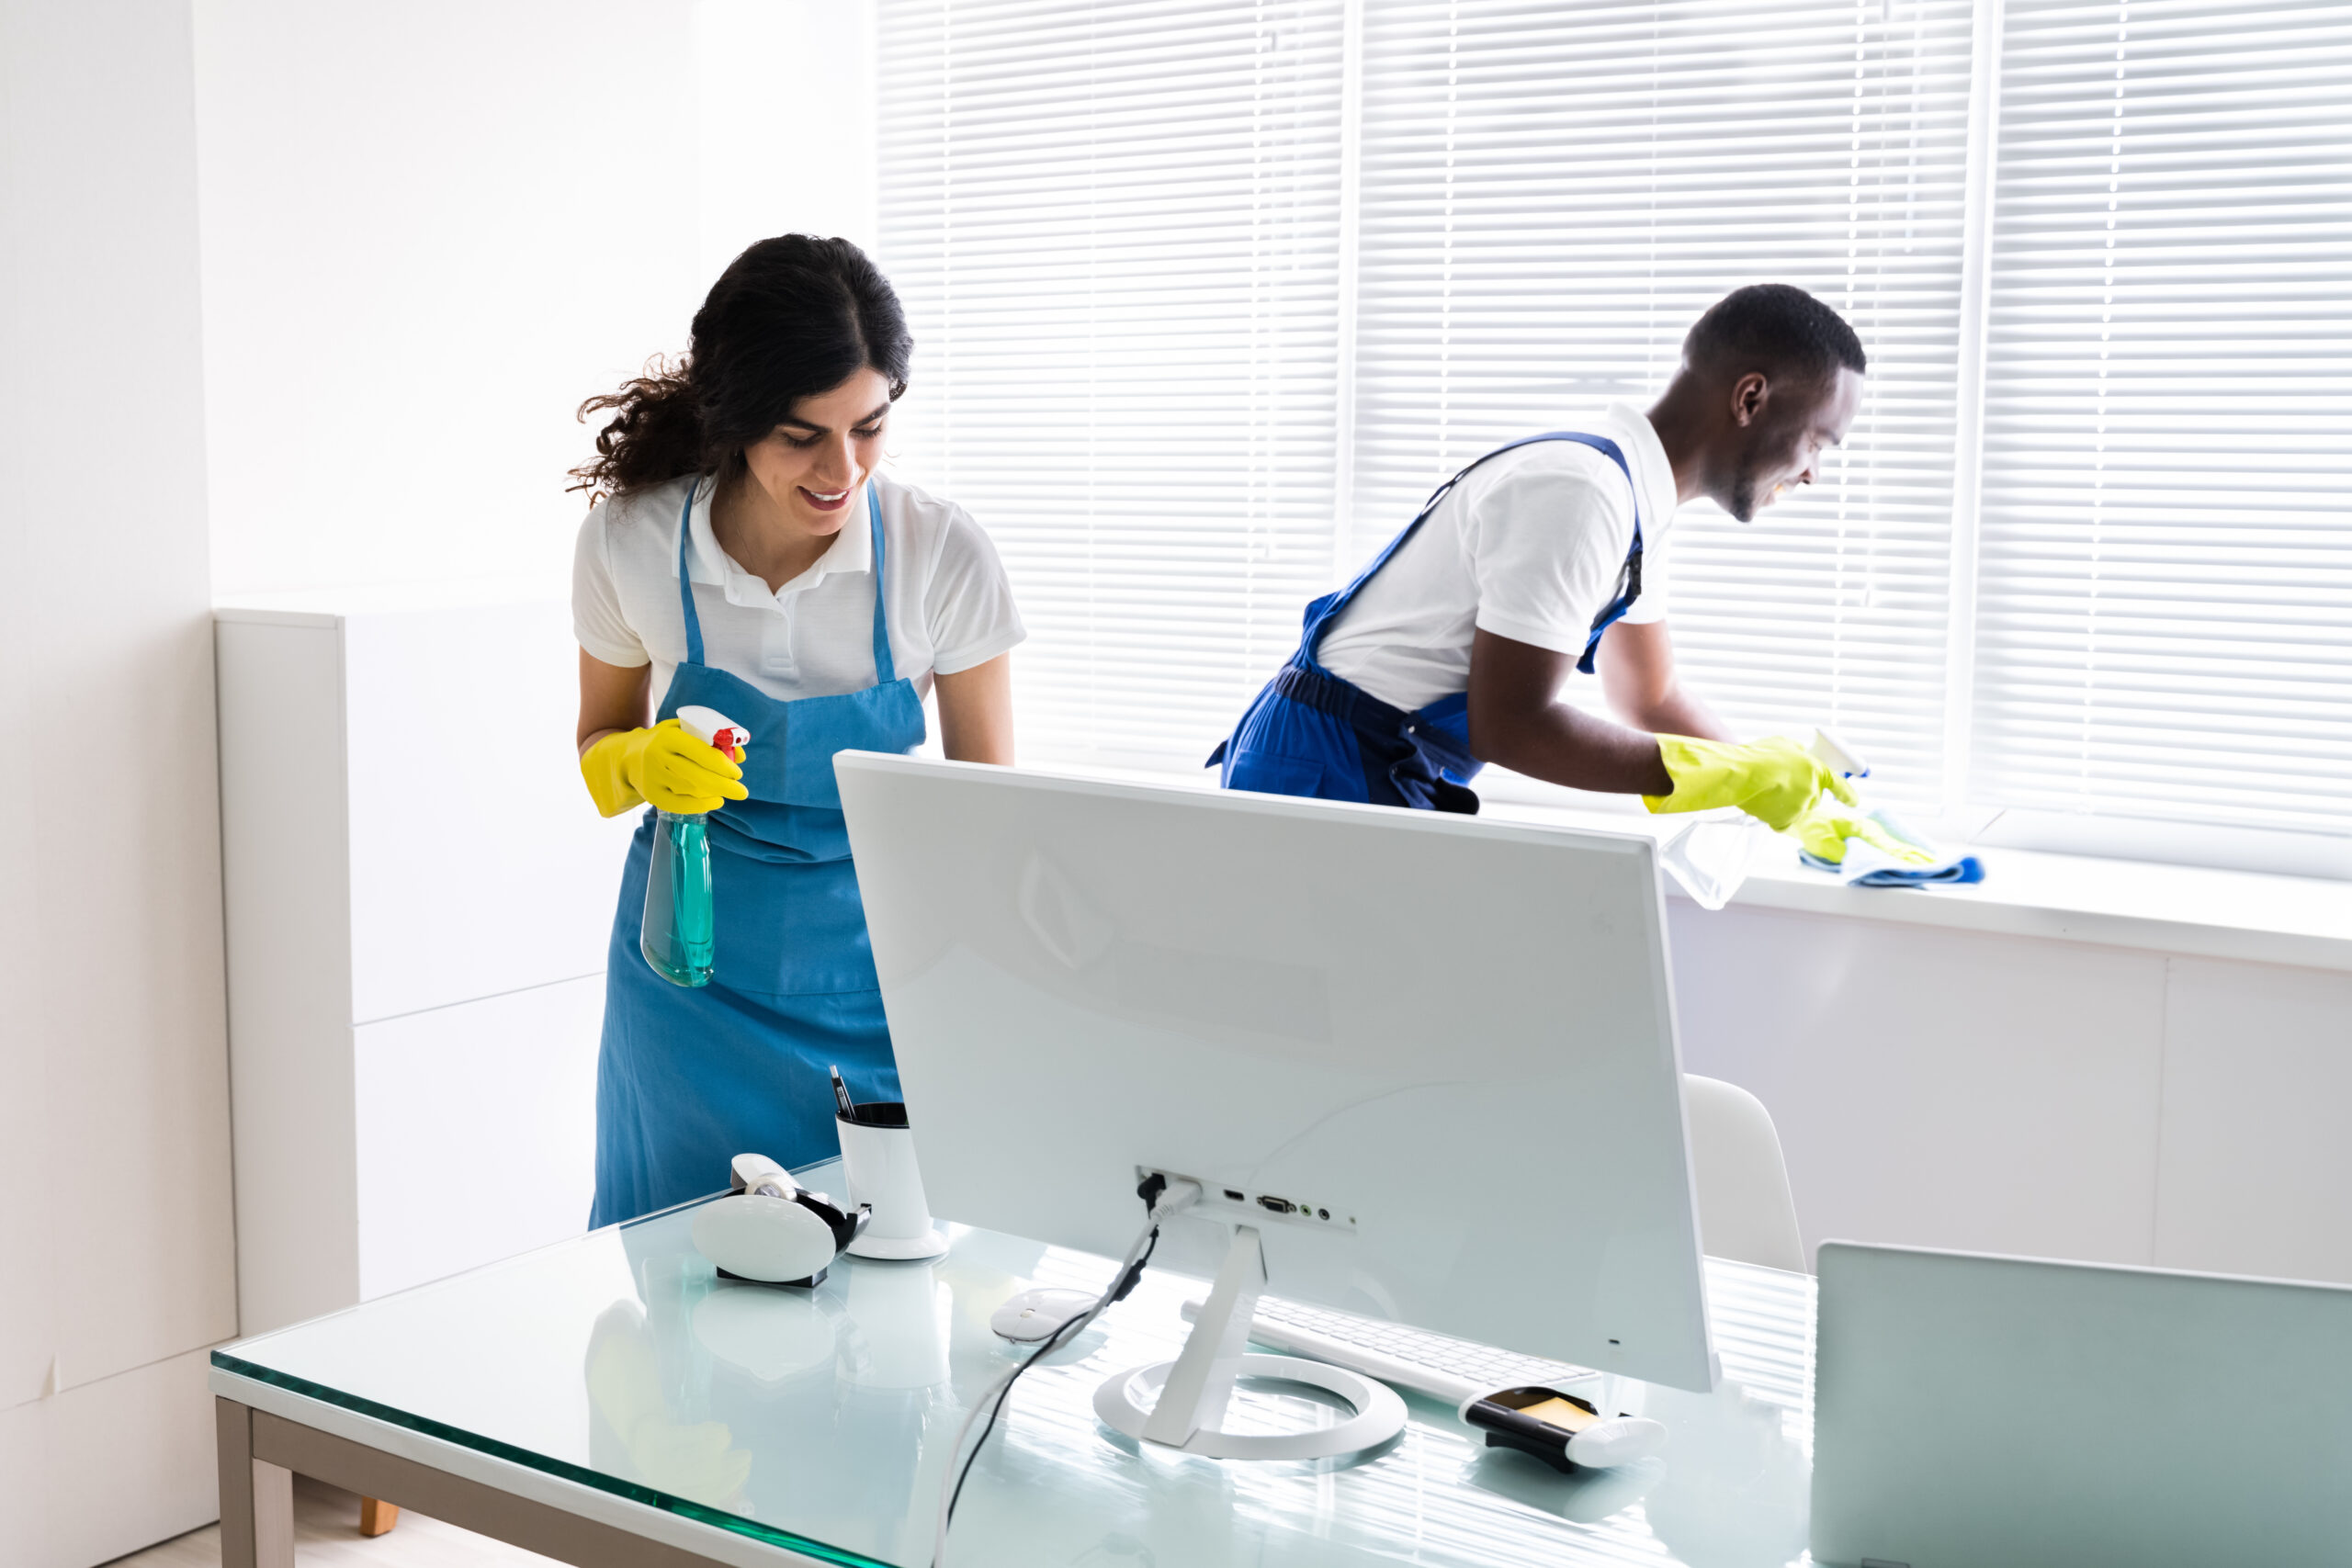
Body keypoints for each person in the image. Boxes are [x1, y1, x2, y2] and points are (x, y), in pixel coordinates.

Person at [571, 235, 1024, 1226]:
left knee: (885, 1287)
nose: (841, 469)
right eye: (800, 435)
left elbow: (993, 814)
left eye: (869, 426)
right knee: (680, 1280)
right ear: (734, 419)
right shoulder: (633, 541)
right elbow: (598, 753)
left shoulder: (937, 554)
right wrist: (639, 761)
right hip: (684, 984)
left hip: (881, 989)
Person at [1210, 283, 1872, 838]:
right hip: (1325, 762)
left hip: (1366, 759)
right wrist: (1733, 776)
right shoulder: (1583, 493)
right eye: (1820, 440)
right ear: (1750, 399)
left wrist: (1781, 794)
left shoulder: (1635, 502)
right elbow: (1513, 726)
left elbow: (1651, 695)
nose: (1813, 472)